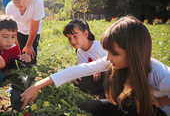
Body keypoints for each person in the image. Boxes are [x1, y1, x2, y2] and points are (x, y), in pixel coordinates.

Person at [21, 16, 170, 116]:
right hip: (134, 105)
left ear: (133, 52)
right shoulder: (115, 60)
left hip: (157, 112)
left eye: (115, 53)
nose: (108, 58)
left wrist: (161, 101)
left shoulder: (161, 76)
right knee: (84, 108)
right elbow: (81, 69)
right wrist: (37, 85)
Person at [6, 0, 45, 64]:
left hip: (33, 31)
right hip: (18, 30)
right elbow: (13, 30)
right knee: (19, 58)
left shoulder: (37, 1)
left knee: (30, 59)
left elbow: (34, 26)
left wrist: (29, 45)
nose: (21, 3)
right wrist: (18, 52)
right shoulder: (9, 8)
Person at [63, 19, 107, 98]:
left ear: (85, 34)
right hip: (97, 81)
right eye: (69, 38)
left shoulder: (99, 46)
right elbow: (83, 70)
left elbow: (114, 64)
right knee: (77, 78)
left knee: (106, 74)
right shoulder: (79, 51)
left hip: (112, 79)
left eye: (75, 36)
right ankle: (100, 94)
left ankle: (108, 96)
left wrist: (99, 68)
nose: (72, 41)